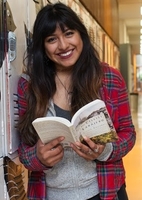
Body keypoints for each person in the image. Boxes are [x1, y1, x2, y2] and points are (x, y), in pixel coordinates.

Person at [17, 2, 136, 200]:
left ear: (81, 34)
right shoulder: (28, 86)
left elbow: (128, 133)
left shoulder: (109, 78)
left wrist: (105, 149)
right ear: (42, 46)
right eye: (52, 39)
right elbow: (23, 150)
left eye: (69, 33)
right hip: (50, 195)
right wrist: (38, 157)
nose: (63, 45)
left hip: (104, 192)